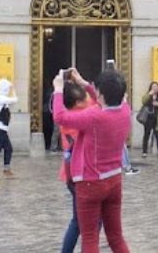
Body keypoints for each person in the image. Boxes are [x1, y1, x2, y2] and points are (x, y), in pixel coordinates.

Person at [52, 67, 132, 253]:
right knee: (116, 236)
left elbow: (59, 116)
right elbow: (107, 100)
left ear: (101, 94)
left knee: (89, 238)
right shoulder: (125, 111)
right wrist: (83, 83)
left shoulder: (95, 116)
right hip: (114, 179)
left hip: (90, 182)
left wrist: (57, 89)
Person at [57, 80, 91, 253]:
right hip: (84, 175)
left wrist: (58, 89)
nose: (87, 100)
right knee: (92, 223)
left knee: (78, 221)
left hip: (70, 174)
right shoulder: (83, 114)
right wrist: (83, 82)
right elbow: (98, 100)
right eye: (84, 98)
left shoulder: (65, 115)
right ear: (78, 103)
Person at [141, 81, 158, 158]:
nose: (154, 88)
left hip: (157, 118)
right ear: (150, 88)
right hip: (148, 118)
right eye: (153, 87)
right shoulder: (148, 95)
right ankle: (144, 152)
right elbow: (143, 101)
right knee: (146, 134)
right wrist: (150, 94)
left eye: (156, 87)